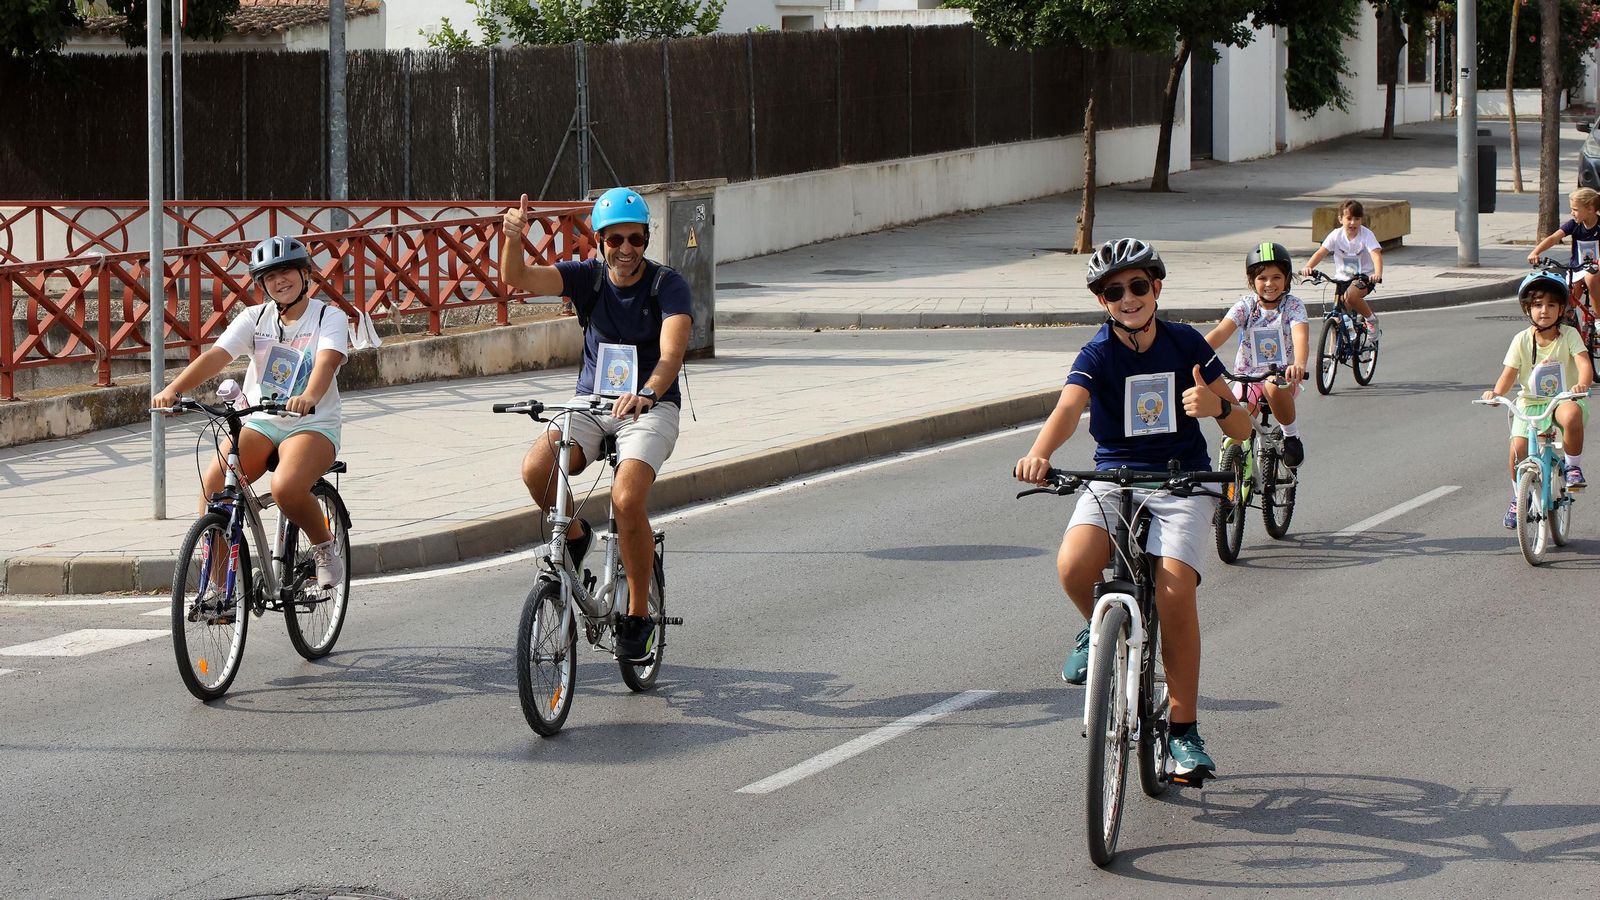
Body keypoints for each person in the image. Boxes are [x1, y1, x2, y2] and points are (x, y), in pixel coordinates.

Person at [1014, 238, 1252, 782]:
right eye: (1114, 291)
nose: (1128, 298)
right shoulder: (1097, 352)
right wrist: (1039, 454)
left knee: (1173, 596)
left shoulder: (1187, 343)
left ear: (1157, 289)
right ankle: (1095, 632)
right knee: (1074, 565)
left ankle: (1184, 732)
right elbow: (1068, 408)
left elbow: (1241, 427)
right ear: (1103, 301)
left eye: (1138, 286)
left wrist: (1216, 407)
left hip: (1182, 479)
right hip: (1115, 476)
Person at [499, 188, 692, 663]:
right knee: (535, 469)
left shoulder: (668, 285)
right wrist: (513, 236)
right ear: (599, 240)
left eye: (635, 239)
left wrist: (646, 392)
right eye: (614, 240)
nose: (625, 250)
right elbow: (518, 277)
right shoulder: (587, 277)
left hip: (650, 406)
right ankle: (577, 536)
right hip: (591, 402)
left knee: (627, 501)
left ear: (646, 238)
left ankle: (637, 616)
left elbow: (671, 355)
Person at [151, 235, 349, 589]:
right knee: (215, 484)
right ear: (261, 285)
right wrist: (173, 389)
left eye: (287, 271)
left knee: (286, 486)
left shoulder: (327, 317)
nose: (279, 281)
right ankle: (221, 587)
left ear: (306, 275)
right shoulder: (255, 318)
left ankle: (324, 545)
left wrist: (308, 395)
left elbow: (326, 362)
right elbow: (216, 356)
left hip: (312, 423)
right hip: (261, 420)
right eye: (269, 277)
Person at [1482, 272, 1594, 528]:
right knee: (1517, 452)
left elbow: (1583, 364)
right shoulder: (1521, 339)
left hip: (1563, 398)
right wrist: (1496, 394)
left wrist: (1582, 385)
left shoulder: (1569, 336)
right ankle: (1518, 497)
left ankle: (1572, 466)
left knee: (1571, 415)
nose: (1544, 310)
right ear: (1527, 309)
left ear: (1562, 309)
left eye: (1551, 305)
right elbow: (1508, 375)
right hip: (1530, 404)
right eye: (1537, 305)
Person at [1203, 242, 1310, 467]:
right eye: (1262, 278)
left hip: (1281, 377)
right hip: (1246, 376)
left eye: (1276, 277)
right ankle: (1235, 469)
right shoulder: (1246, 306)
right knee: (1237, 419)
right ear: (1252, 281)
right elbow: (1221, 332)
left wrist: (1298, 364)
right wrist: (1193, 355)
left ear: (1287, 279)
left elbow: (1300, 337)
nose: (1269, 284)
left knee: (1273, 384)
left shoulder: (1293, 306)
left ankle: (1291, 435)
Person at [1302, 199, 1384, 340]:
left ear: (1361, 220)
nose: (1353, 223)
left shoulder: (1366, 235)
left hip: (1364, 277)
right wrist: (1309, 266)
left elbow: (1376, 254)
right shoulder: (1336, 235)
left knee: (1351, 296)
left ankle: (1371, 319)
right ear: (1341, 219)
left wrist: (1377, 274)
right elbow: (1321, 252)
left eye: (1357, 219)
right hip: (1343, 278)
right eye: (1349, 218)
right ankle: (1332, 354)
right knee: (1339, 317)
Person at [1526, 187, 1600, 325]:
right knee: (1571, 288)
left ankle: (1598, 318)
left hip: (1596, 270)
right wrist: (1536, 252)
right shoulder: (1574, 225)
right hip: (1578, 269)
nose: (1572, 213)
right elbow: (1554, 238)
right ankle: (1569, 313)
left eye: (1576, 210)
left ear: (1590, 209)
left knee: (1591, 278)